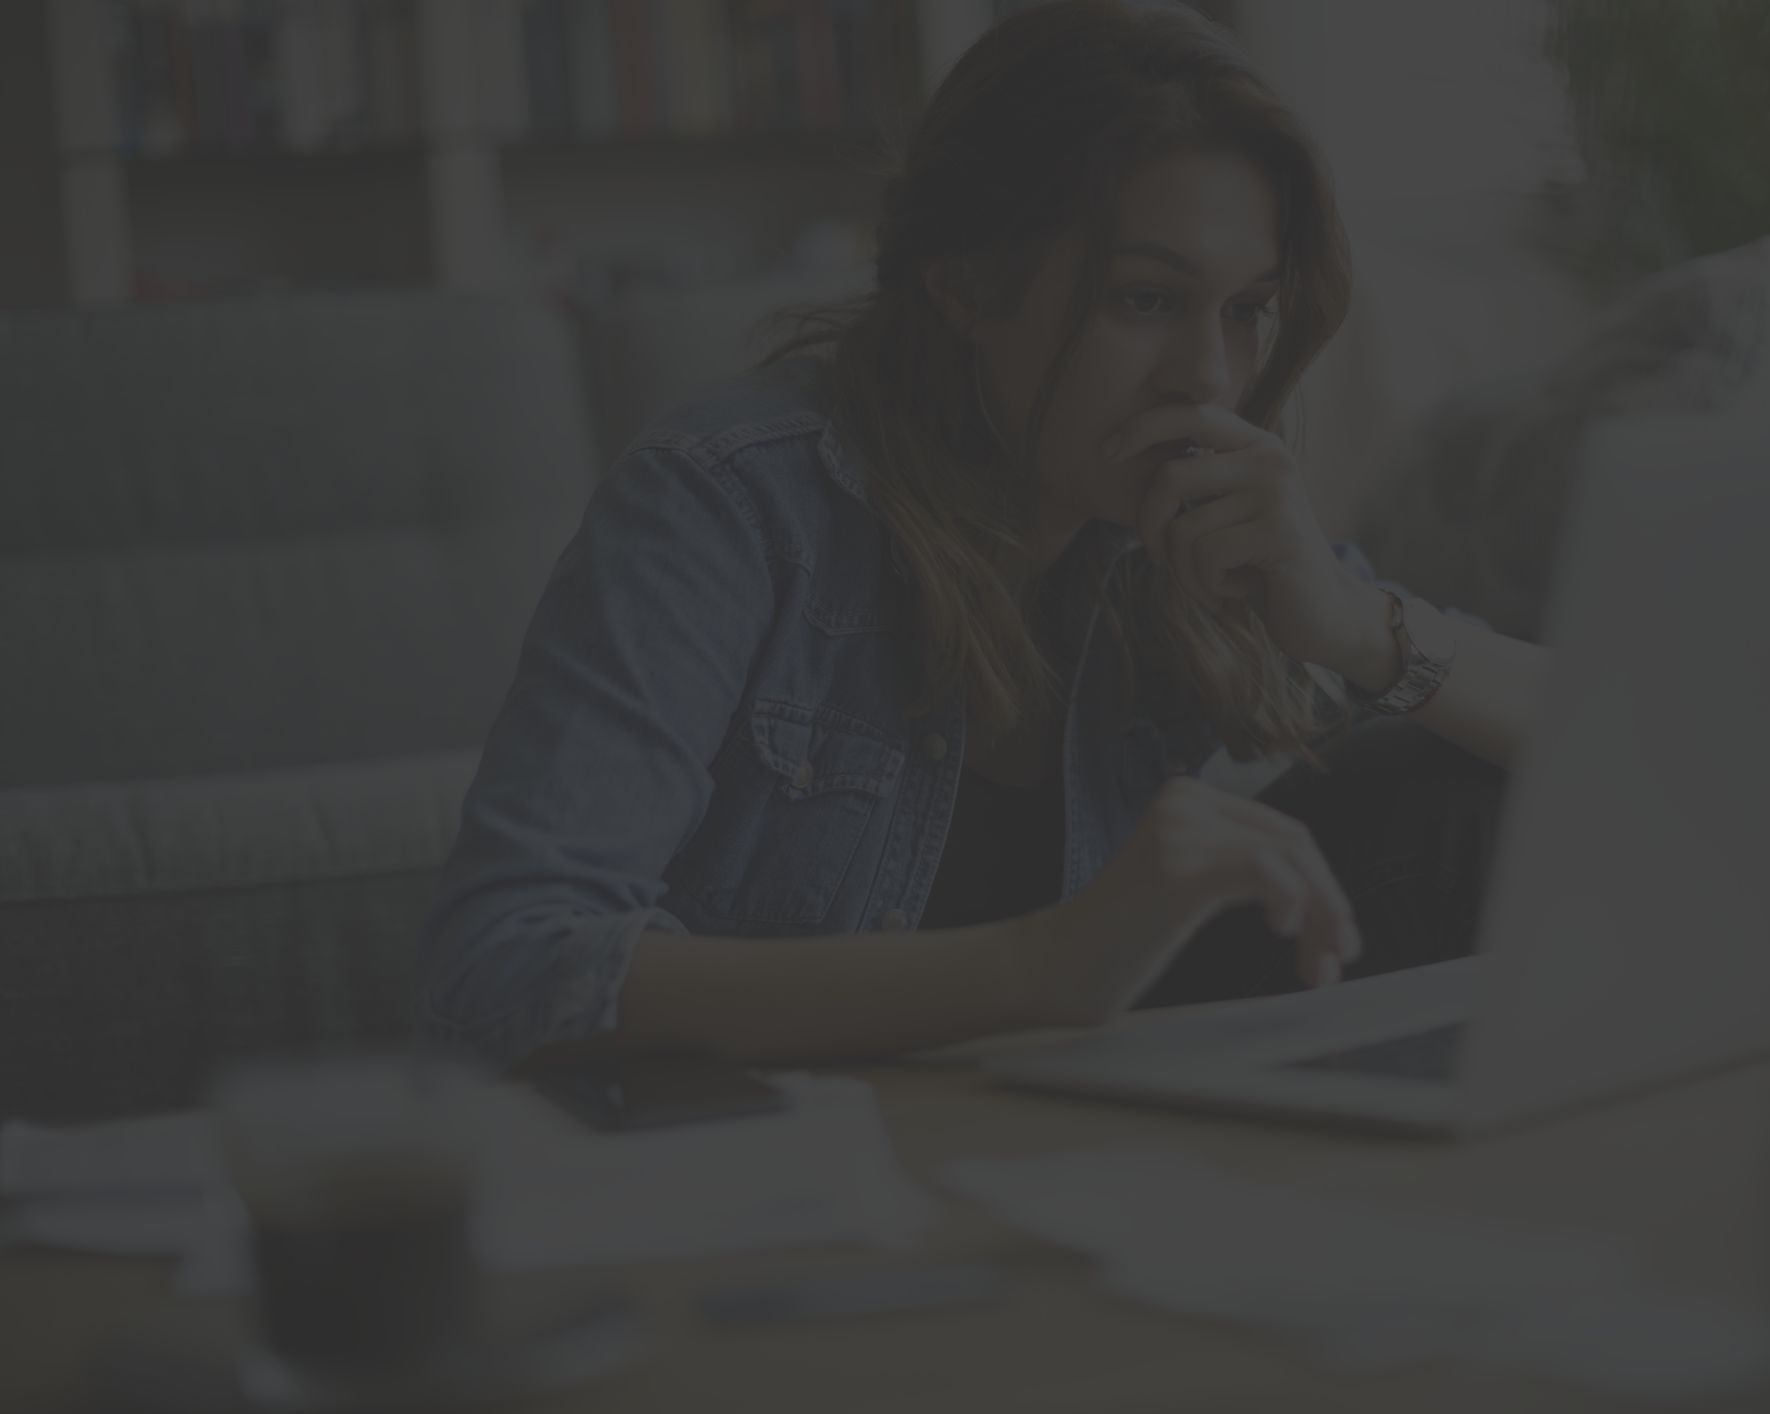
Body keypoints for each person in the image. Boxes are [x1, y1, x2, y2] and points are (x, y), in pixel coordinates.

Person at [417, 0, 1546, 1073]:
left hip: (1072, 1102)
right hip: (827, 1139)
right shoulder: (730, 500)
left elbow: (1616, 749)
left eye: (1246, 310)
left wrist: (1363, 633)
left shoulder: (1174, 519)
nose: (1208, 377)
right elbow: (503, 965)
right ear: (962, 281)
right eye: (1144, 300)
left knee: (1456, 794)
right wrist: (1045, 964)